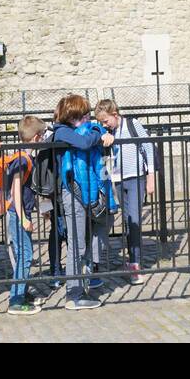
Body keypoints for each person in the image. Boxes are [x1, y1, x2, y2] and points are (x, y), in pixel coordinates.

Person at [52, 94, 115, 309]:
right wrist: (98, 133)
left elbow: (92, 138)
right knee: (76, 244)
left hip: (91, 188)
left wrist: (97, 131)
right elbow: (84, 142)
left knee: (103, 223)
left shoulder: (88, 128)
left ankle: (87, 268)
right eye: (85, 112)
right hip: (73, 191)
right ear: (74, 114)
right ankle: (74, 293)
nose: (89, 116)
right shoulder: (62, 131)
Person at [94, 99, 155, 283]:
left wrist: (150, 176)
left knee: (135, 219)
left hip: (135, 176)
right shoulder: (107, 132)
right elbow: (107, 157)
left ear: (114, 114)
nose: (105, 125)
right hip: (118, 179)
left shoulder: (132, 124)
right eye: (101, 122)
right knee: (128, 220)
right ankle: (131, 261)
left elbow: (148, 147)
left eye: (106, 121)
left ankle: (136, 263)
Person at [4, 116, 44, 315]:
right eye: (42, 136)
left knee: (23, 254)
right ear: (36, 137)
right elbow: (15, 191)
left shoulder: (24, 157)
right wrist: (23, 218)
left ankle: (22, 292)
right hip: (18, 214)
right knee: (25, 256)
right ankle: (16, 299)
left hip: (20, 213)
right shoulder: (22, 159)